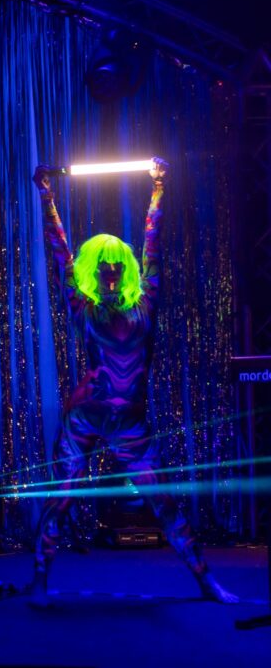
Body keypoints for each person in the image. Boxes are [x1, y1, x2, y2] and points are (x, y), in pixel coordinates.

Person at [29, 158, 236, 606]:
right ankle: (41, 579)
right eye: (101, 267)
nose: (108, 273)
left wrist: (160, 188)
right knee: (60, 499)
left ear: (124, 270)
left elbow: (153, 241)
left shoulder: (145, 304)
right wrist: (46, 196)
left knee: (163, 503)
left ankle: (206, 580)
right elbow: (59, 250)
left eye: (115, 267)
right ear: (93, 272)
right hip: (86, 418)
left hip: (129, 426)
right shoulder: (84, 309)